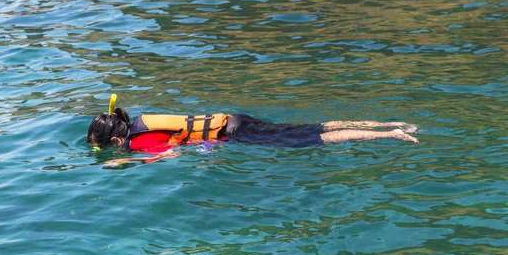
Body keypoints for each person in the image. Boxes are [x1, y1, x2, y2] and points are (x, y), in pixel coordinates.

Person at [86, 96, 418, 166]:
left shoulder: (140, 141)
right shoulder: (141, 122)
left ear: (116, 140)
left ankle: (389, 135)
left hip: (234, 134)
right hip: (235, 119)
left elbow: (170, 151)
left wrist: (130, 162)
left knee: (314, 139)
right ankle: (392, 124)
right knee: (312, 126)